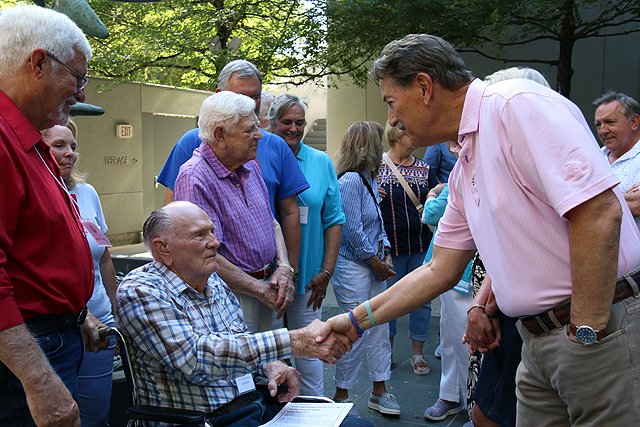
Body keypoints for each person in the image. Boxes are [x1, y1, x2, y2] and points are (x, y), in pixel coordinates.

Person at [322, 34, 640, 426]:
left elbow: (598, 212)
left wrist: (585, 333)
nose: (391, 119)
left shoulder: (515, 106)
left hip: (595, 331)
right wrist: (354, 322)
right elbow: (438, 269)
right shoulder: (466, 160)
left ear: (423, 87)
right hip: (539, 339)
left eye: (391, 101)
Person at [116, 201, 372, 427]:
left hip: (252, 404)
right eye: (200, 235)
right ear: (164, 249)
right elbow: (195, 359)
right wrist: (293, 341)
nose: (215, 242)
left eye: (212, 231)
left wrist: (272, 366)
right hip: (205, 418)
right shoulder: (140, 290)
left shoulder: (212, 279)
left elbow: (238, 340)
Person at [157, 60, 308, 281]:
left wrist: (288, 271)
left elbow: (285, 213)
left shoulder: (267, 150)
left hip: (269, 278)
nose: (249, 103)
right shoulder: (192, 147)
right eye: (239, 95)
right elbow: (172, 216)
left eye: (255, 97)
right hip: (227, 285)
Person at [464, 66, 552, 427]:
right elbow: (495, 253)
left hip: (544, 321)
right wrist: (478, 308)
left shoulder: (545, 165)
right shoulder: (484, 163)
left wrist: (484, 308)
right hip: (508, 308)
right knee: (486, 409)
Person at [174, 91, 293, 333]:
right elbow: (204, 253)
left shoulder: (249, 164)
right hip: (233, 297)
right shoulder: (195, 177)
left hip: (267, 287)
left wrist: (283, 268)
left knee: (274, 365)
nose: (259, 135)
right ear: (220, 134)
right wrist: (258, 289)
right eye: (249, 130)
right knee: (244, 369)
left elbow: (271, 223)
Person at [268, 94, 345, 396]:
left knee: (311, 353)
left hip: (309, 277)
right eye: (286, 122)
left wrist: (326, 272)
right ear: (272, 123)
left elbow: (335, 219)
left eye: (300, 122)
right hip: (266, 279)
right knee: (268, 356)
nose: (294, 128)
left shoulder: (319, 161)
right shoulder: (260, 159)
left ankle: (314, 412)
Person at [43, 123, 118, 426]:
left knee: (96, 414)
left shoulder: (86, 193)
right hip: (56, 328)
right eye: (59, 145)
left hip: (100, 327)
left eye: (73, 146)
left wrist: (115, 306)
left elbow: (104, 258)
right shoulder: (35, 195)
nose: (70, 153)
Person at [331, 121, 401, 416]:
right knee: (356, 330)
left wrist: (385, 254)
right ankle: (341, 395)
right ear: (367, 147)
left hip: (372, 265)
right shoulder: (349, 181)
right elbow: (352, 231)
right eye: (378, 144)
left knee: (380, 329)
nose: (383, 149)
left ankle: (380, 390)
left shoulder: (368, 180)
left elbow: (378, 224)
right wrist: (376, 261)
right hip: (353, 267)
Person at [376, 123, 432, 375]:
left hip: (420, 244)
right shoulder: (377, 168)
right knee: (389, 301)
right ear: (398, 136)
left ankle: (417, 354)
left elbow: (434, 203)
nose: (416, 138)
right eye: (411, 133)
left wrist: (436, 193)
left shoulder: (424, 169)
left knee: (422, 301)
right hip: (391, 247)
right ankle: (385, 353)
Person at [593, 91, 640, 229]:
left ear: (634, 122)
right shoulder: (591, 158)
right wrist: (623, 198)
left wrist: (591, 202)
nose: (603, 130)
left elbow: (637, 204)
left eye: (610, 122)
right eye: (598, 125)